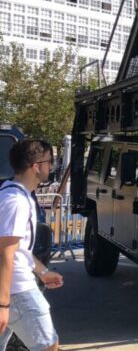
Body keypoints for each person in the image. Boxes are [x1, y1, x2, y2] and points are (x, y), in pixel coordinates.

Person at [0, 139, 64, 351]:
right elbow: (5, 253)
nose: (51, 167)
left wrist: (42, 272)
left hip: (13, 289)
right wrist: (3, 303)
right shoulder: (16, 201)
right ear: (36, 167)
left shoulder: (13, 193)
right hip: (18, 291)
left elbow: (19, 249)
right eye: (49, 161)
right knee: (49, 346)